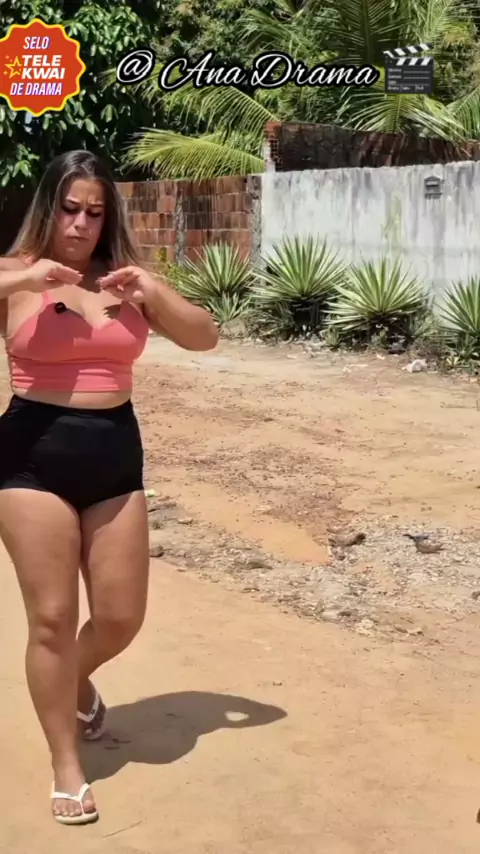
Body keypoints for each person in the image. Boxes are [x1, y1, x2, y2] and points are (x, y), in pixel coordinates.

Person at [0, 150, 219, 825]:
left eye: (95, 212)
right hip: (30, 457)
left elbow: (205, 337)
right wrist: (27, 277)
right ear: (49, 207)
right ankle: (67, 765)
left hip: (115, 454)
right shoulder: (17, 273)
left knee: (121, 617)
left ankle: (73, 678)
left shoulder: (125, 281)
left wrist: (152, 290)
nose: (80, 224)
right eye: (69, 208)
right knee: (52, 619)